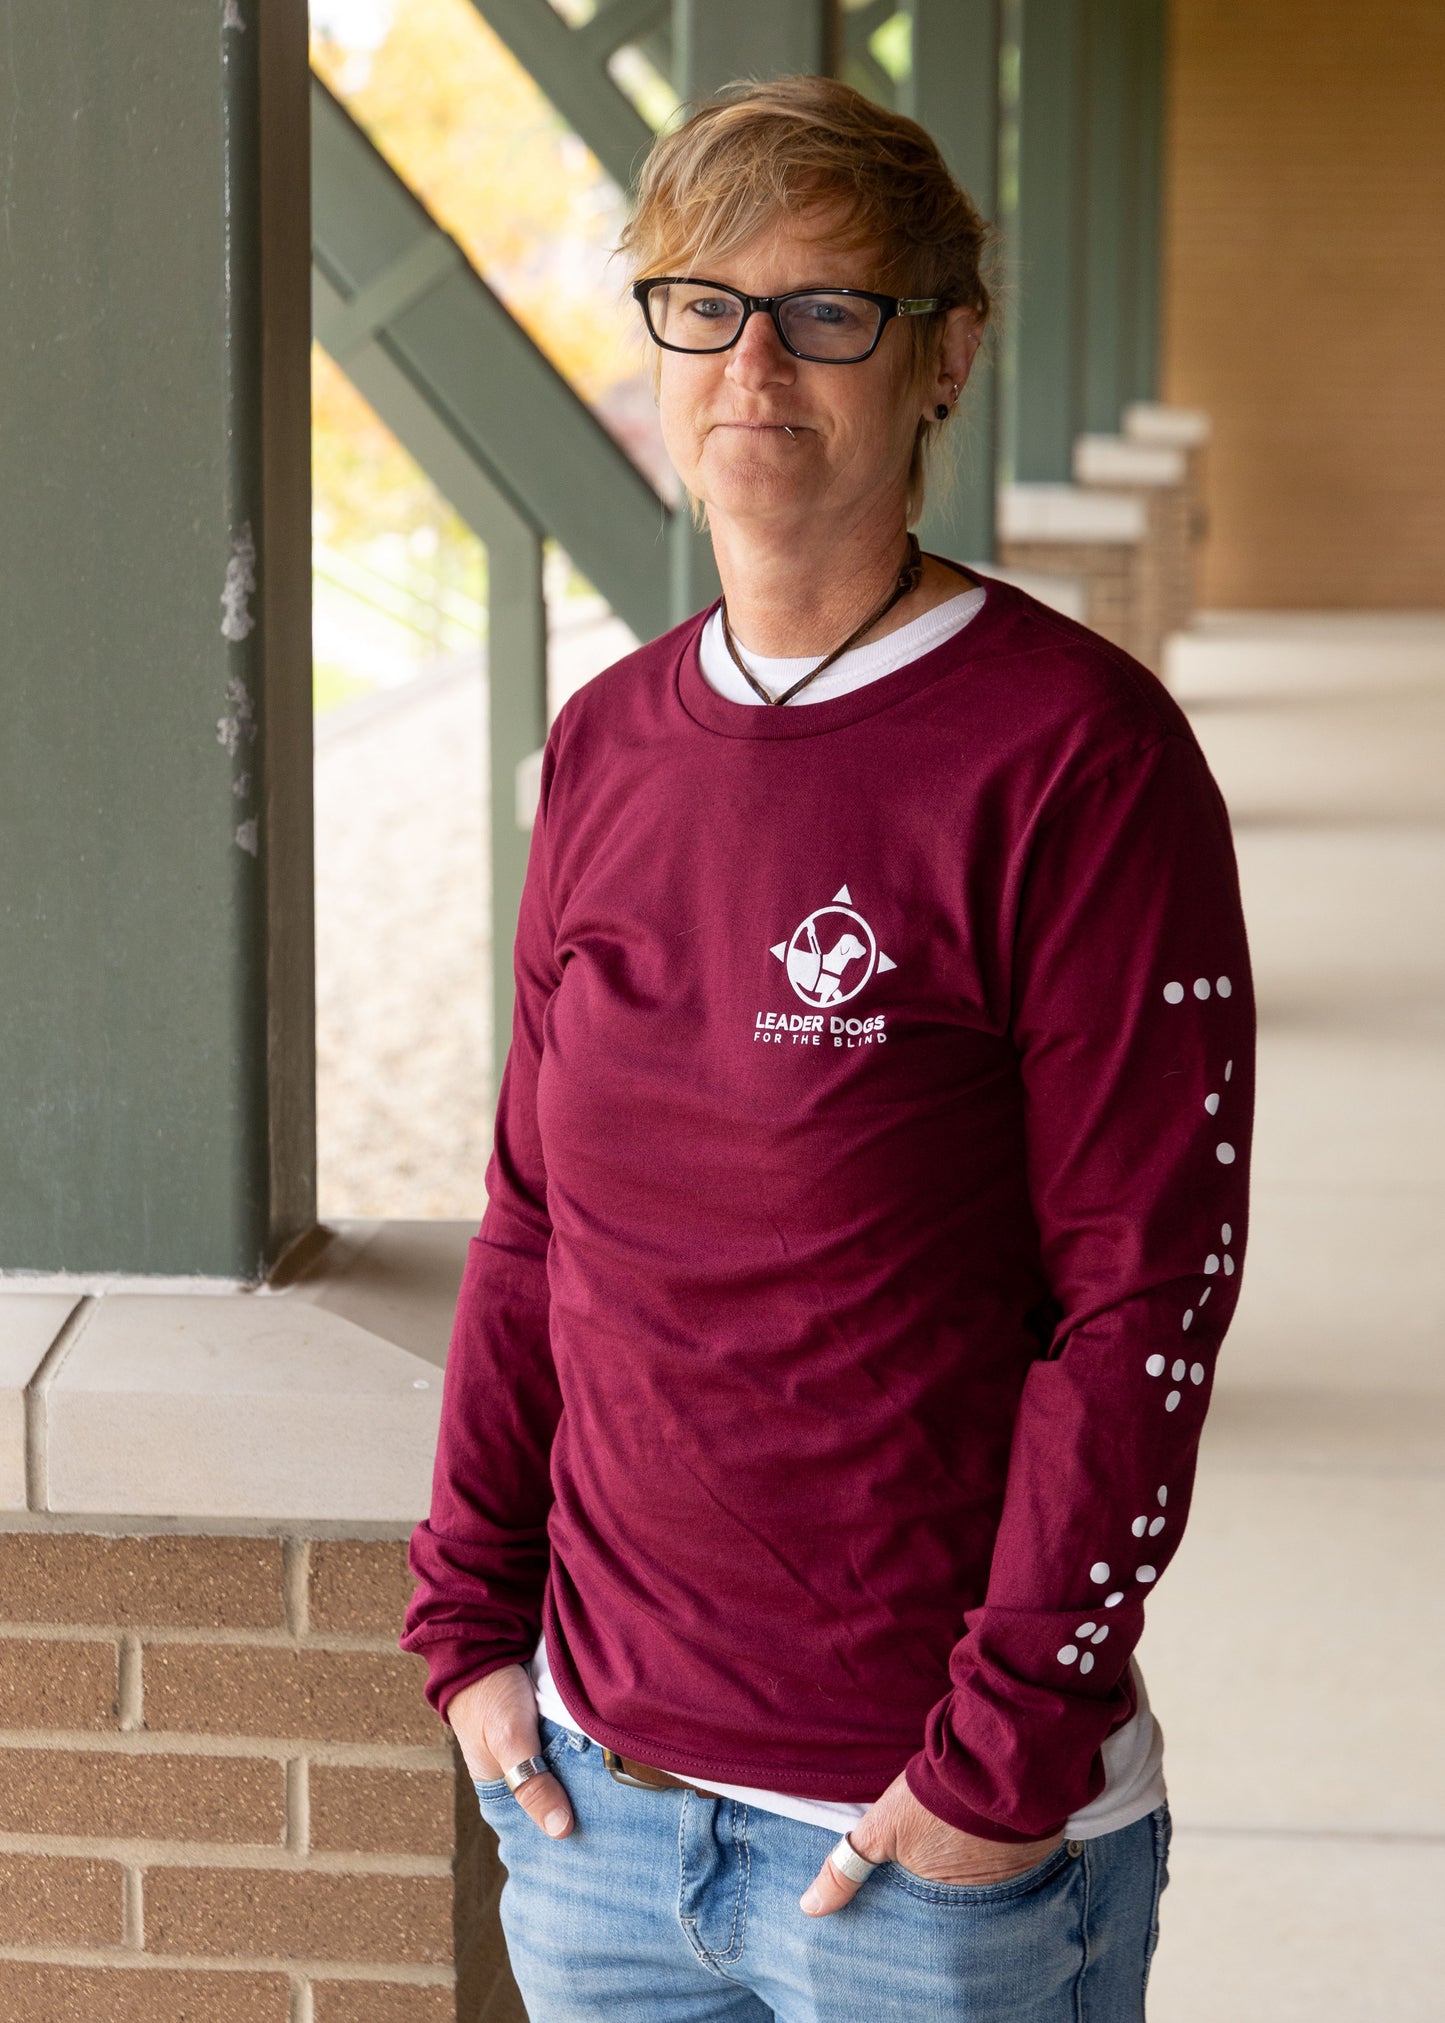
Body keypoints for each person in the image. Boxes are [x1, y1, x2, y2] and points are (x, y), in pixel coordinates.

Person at [400, 73, 1253, 2021]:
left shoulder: (1076, 758)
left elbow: (1146, 1300)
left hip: (925, 1862)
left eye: (825, 309)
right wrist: (467, 1629)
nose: (751, 363)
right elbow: (535, 1224)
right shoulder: (607, 742)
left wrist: (997, 1763)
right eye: (700, 303)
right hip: (601, 1815)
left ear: (945, 348)